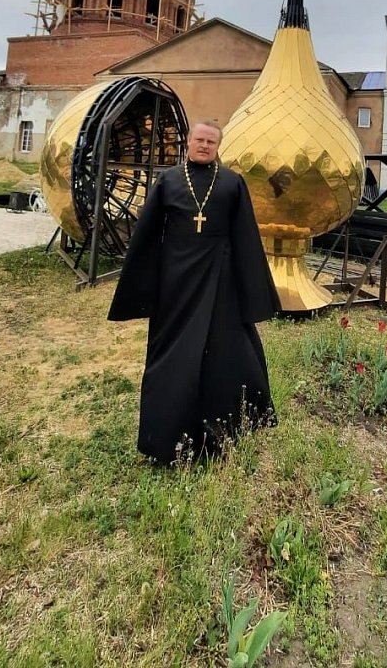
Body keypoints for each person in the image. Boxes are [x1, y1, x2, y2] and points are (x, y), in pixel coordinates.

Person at [108, 120, 280, 464]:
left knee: (227, 354)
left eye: (211, 142)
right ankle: (164, 438)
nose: (204, 145)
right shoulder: (168, 181)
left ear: (218, 146)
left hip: (220, 280)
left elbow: (246, 238)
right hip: (176, 283)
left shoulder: (232, 183)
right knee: (171, 355)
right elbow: (146, 237)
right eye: (199, 139)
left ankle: (221, 433)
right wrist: (143, 287)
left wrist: (251, 292)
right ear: (188, 141)